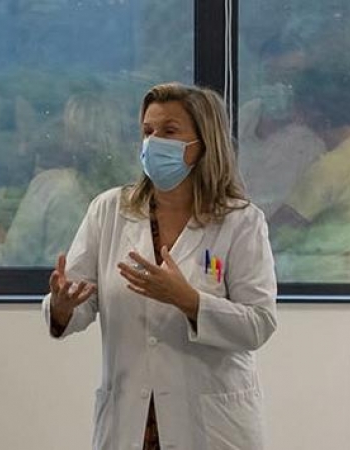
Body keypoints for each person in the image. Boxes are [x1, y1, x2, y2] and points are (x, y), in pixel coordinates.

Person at [43, 83, 277, 450]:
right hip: (129, 423)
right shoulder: (109, 211)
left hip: (211, 426)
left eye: (169, 131)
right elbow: (78, 300)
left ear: (203, 142)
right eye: (147, 132)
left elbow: (259, 324)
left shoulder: (240, 221)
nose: (154, 143)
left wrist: (190, 301)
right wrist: (61, 307)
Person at [0, 92, 130, 266]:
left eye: (66, 130)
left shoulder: (50, 187)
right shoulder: (136, 192)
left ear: (74, 138)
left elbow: (13, 261)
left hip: (52, 289)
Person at [270, 63, 350, 281]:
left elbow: (276, 233)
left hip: (326, 278)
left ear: (315, 111)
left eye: (298, 101)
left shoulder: (330, 169)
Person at [238, 34, 325, 215]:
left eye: (291, 74)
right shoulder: (246, 113)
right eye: (270, 71)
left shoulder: (317, 130)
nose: (279, 82)